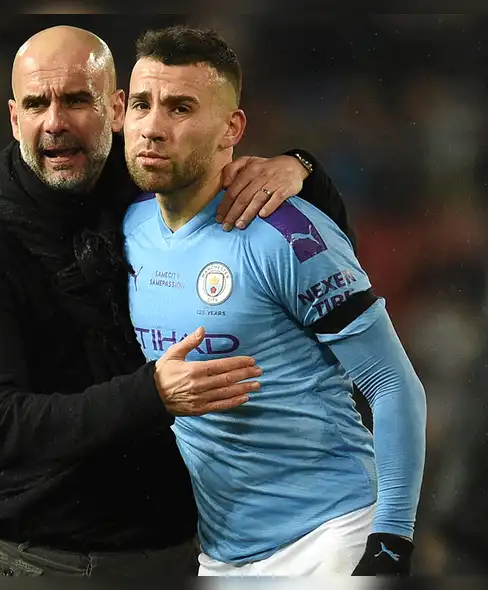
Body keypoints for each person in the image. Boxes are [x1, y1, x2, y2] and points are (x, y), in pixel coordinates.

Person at [0, 25, 359, 578]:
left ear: (115, 109)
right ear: (15, 119)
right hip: (40, 560)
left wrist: (300, 169)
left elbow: (318, 247)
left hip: (182, 555)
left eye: (76, 99)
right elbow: (0, 426)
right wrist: (150, 394)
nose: (55, 121)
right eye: (37, 104)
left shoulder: (153, 191)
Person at [122, 25, 426, 576]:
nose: (153, 127)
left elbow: (392, 385)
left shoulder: (285, 233)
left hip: (330, 540)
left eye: (181, 108)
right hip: (221, 556)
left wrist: (390, 542)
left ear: (232, 128)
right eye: (141, 105)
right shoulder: (127, 229)